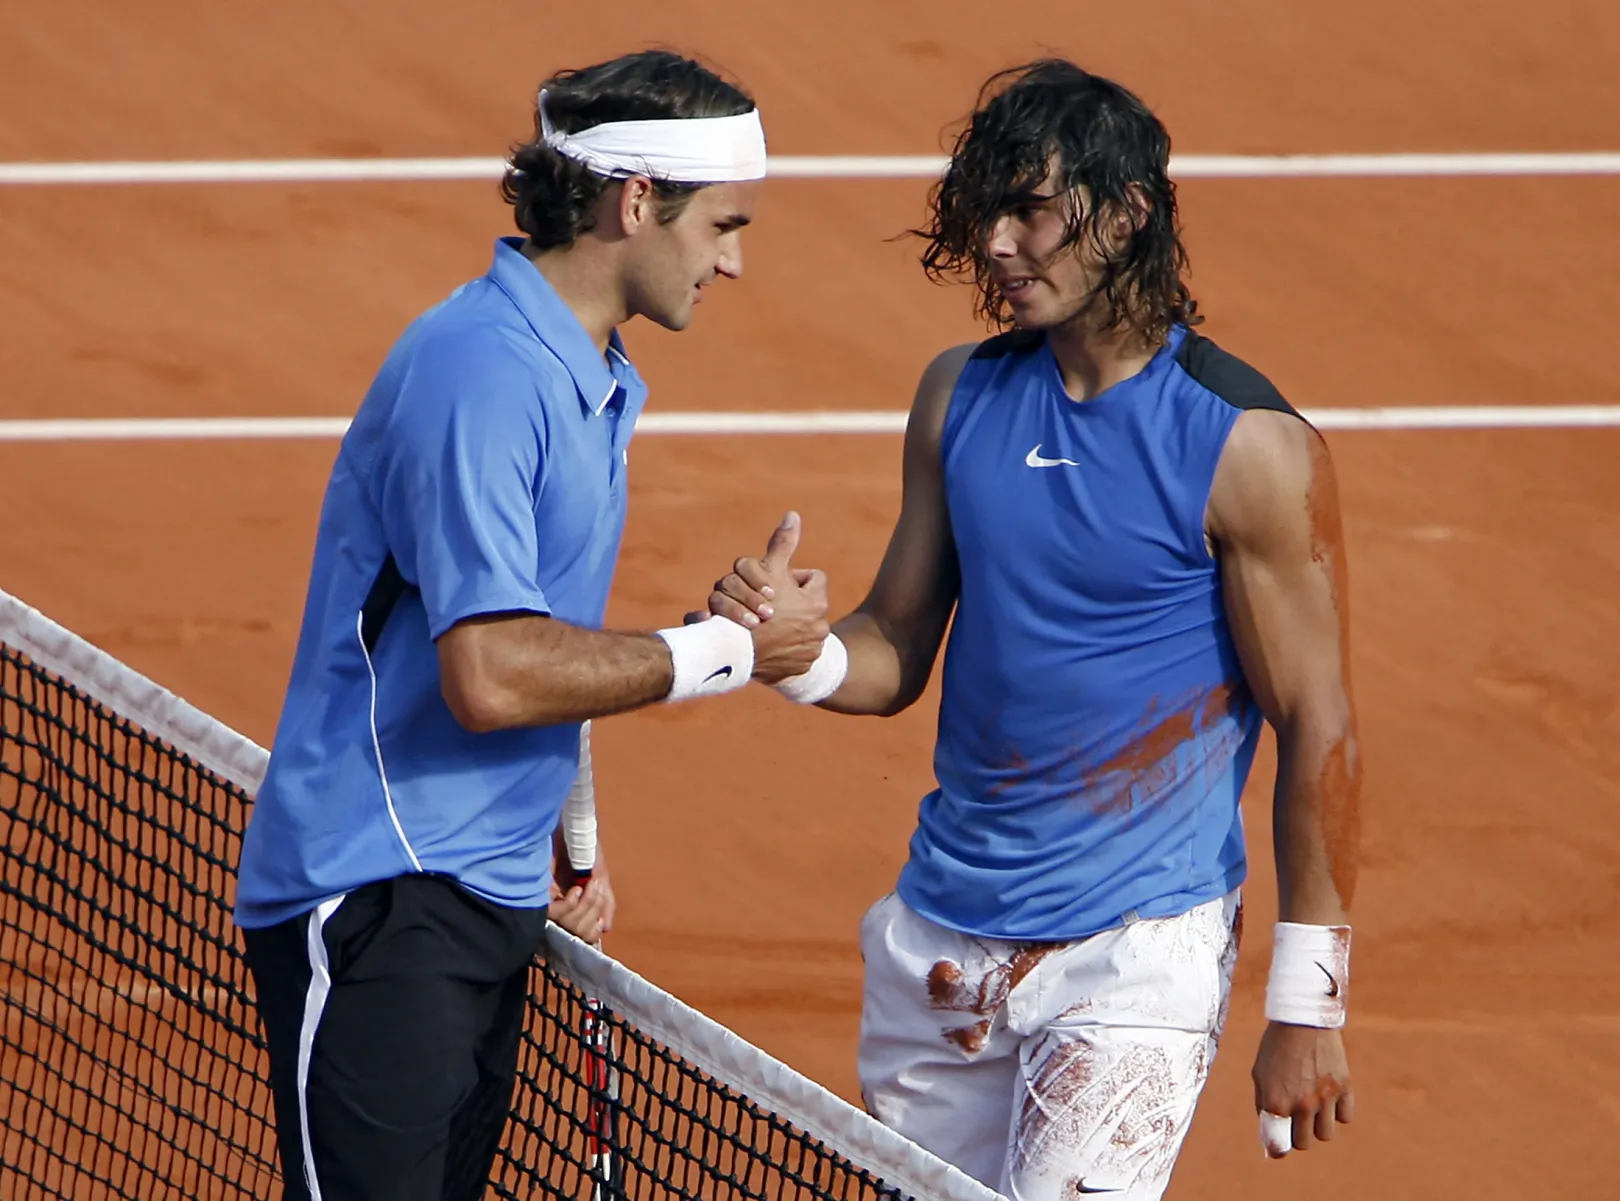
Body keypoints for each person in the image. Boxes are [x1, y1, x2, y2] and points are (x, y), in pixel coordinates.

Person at [706, 59, 1362, 1200]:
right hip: (943, 944)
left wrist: (1307, 1002)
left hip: (1132, 950)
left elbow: (1321, 724)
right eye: (986, 213)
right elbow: (896, 645)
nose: (1000, 244)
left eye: (1030, 209)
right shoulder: (958, 395)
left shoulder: (1247, 448)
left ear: (1128, 212)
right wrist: (797, 652)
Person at [232, 50, 828, 1201]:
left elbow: (545, 631)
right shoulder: (485, 373)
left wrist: (573, 837)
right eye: (723, 225)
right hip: (381, 896)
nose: (737, 260)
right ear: (637, 200)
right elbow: (493, 674)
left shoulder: (590, 376)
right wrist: (731, 651)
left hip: (484, 899)